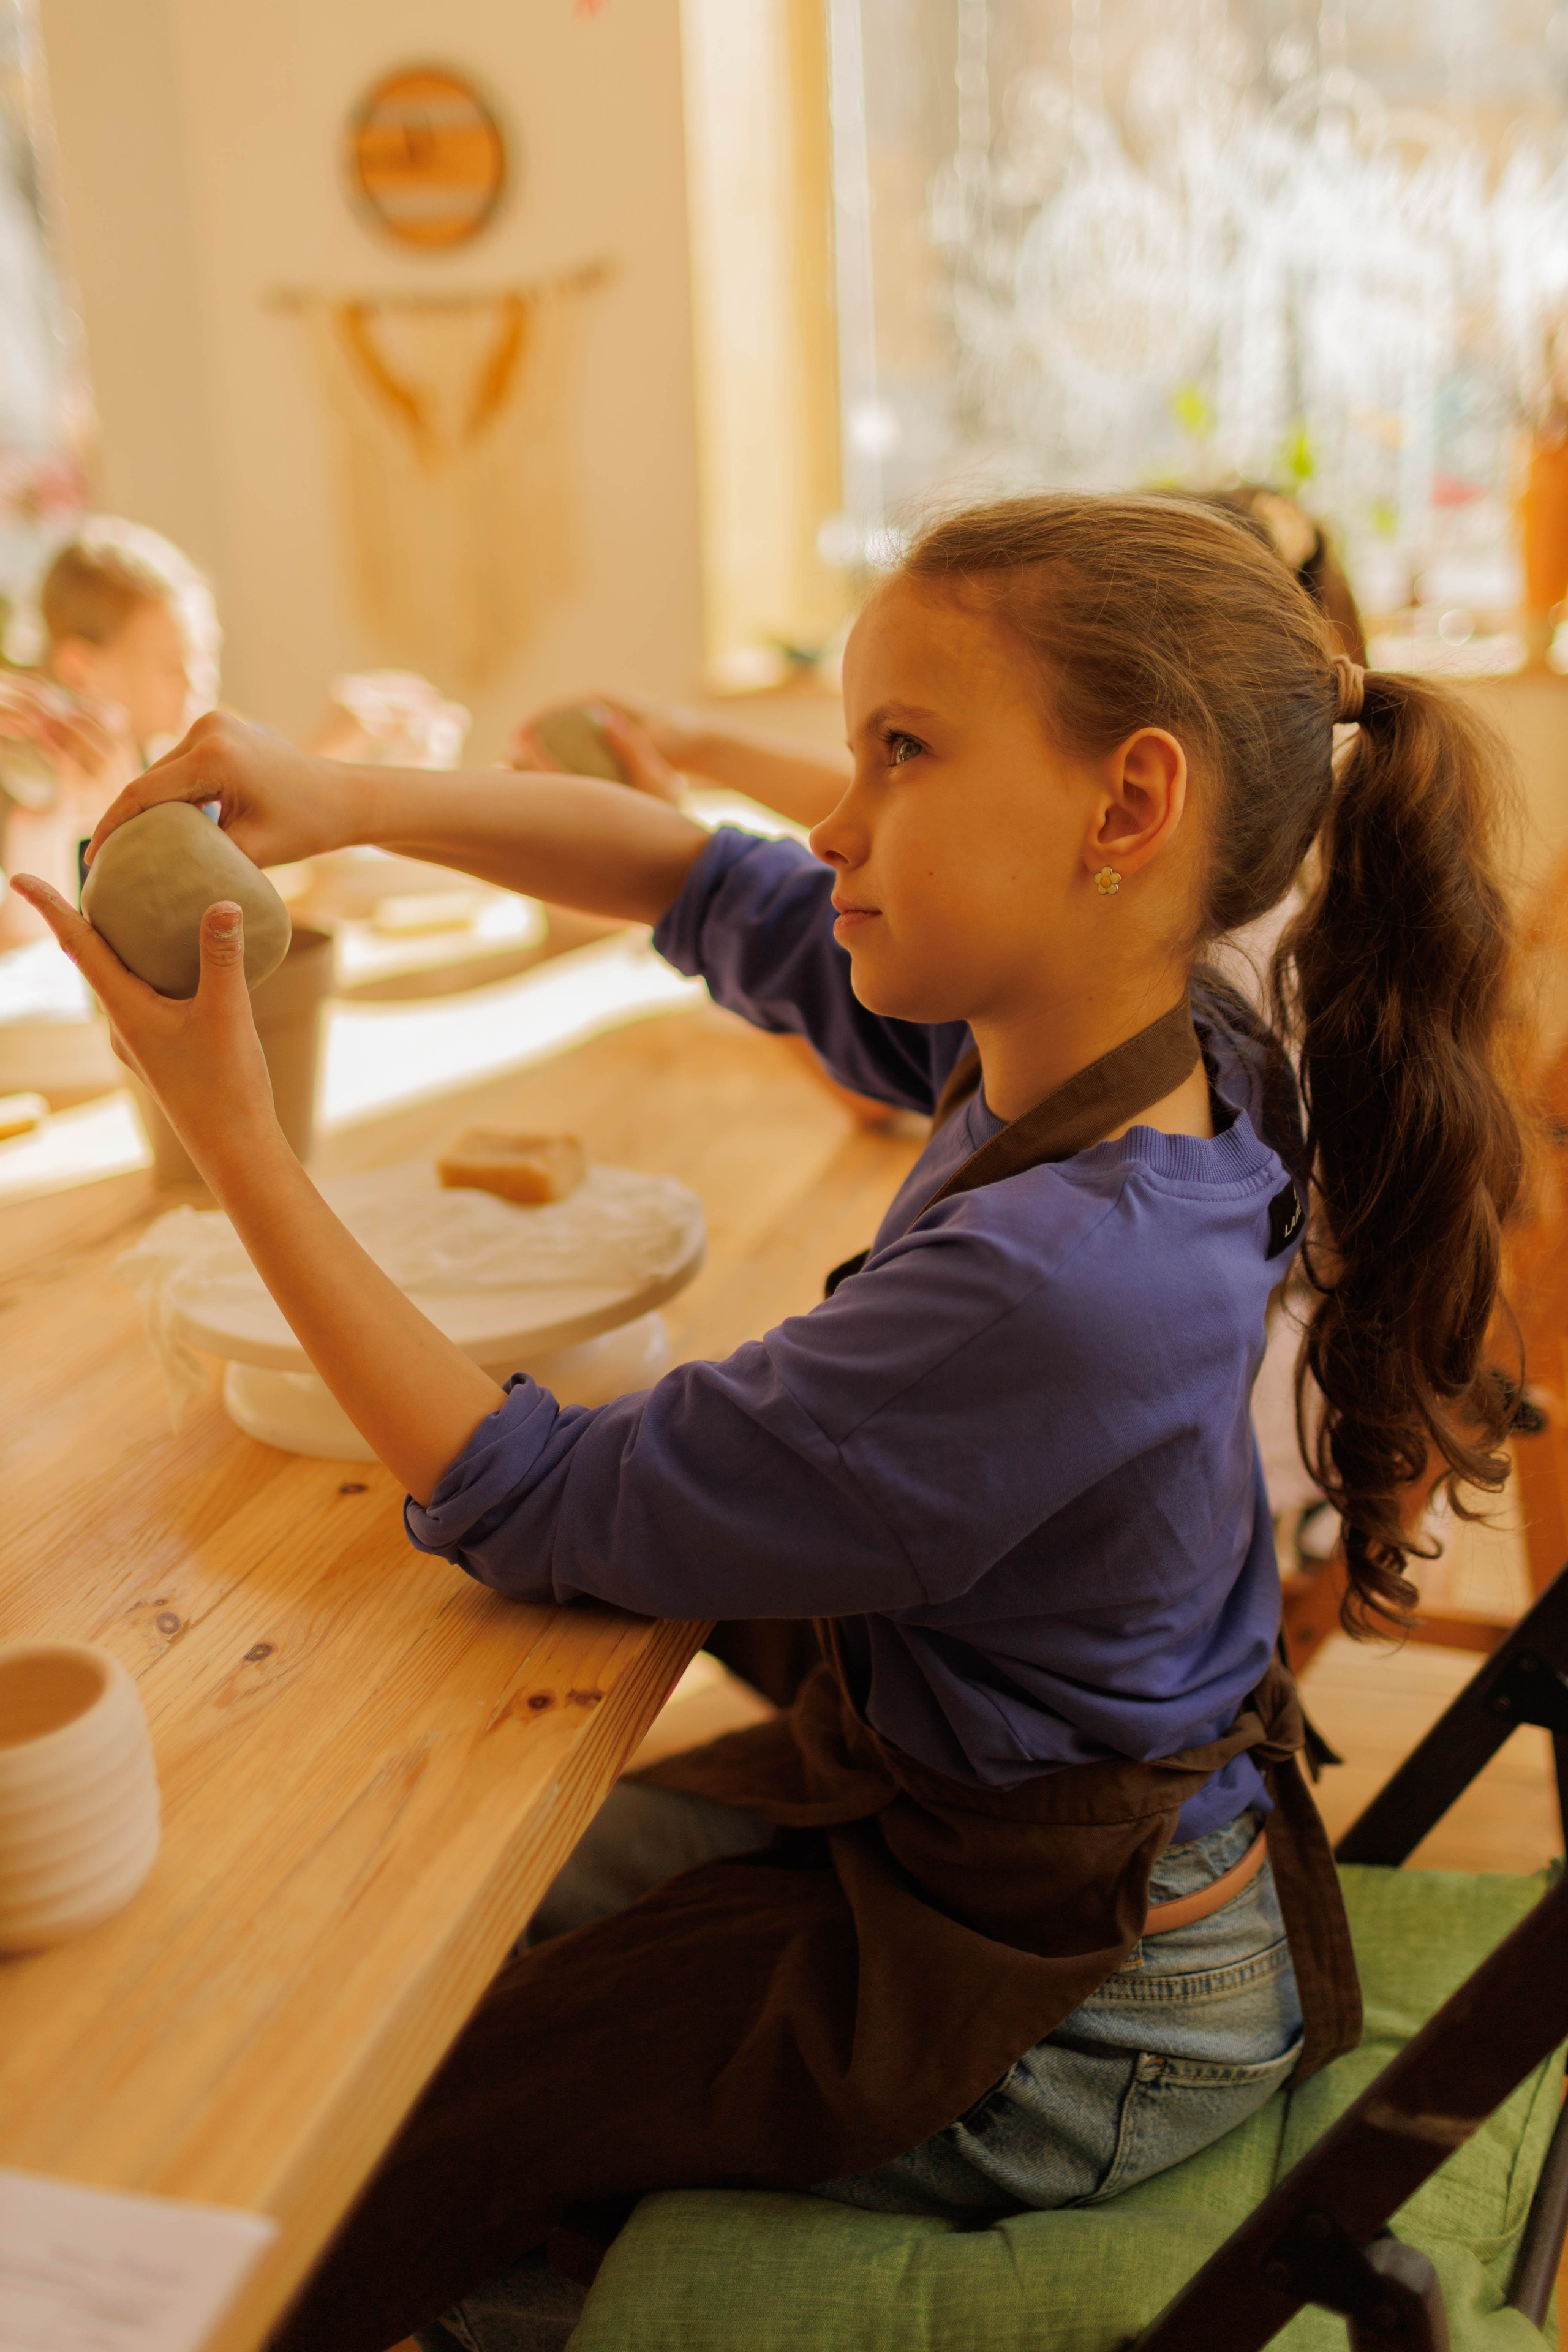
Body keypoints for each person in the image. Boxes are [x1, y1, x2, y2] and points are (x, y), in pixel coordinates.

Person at [13, 492, 1523, 2352]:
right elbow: (694, 879)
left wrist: (235, 1137)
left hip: (1092, 2016)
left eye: (903, 753)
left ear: (1128, 807)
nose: (832, 821)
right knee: (432, 1945)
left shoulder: (1060, 1279)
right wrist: (337, 795)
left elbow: (531, 1498)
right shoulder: (1124, 1036)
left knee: (395, 2142)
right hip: (1007, 1839)